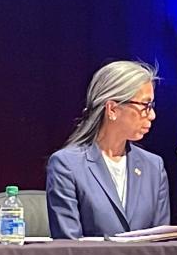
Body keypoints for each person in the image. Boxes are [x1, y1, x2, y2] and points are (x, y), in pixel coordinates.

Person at [46, 60, 170, 238]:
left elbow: (163, 244)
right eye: (145, 105)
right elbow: (69, 248)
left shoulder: (154, 166)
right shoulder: (67, 165)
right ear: (112, 109)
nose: (152, 115)